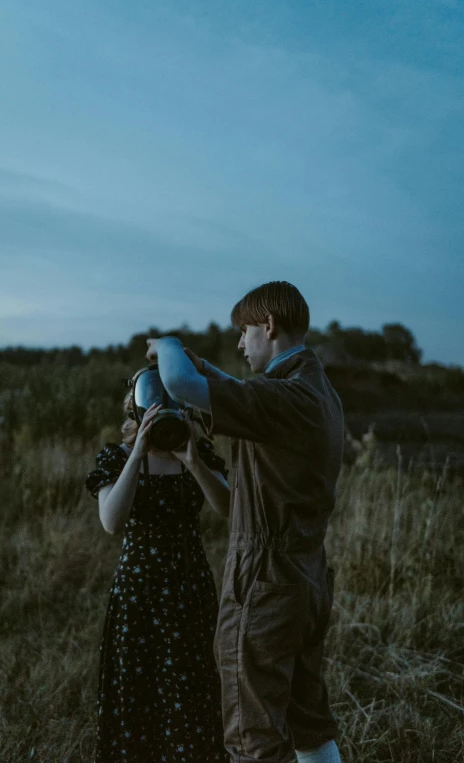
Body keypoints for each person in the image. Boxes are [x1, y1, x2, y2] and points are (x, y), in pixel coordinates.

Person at [145, 281, 344, 763]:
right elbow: (236, 394)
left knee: (252, 739)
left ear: (269, 326)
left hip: (265, 582)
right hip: (303, 577)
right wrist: (199, 364)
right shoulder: (315, 392)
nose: (239, 343)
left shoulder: (287, 399)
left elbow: (182, 387)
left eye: (245, 331)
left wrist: (167, 346)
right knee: (308, 722)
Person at [85, 383, 231, 763]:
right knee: (138, 695)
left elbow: (229, 509)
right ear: (137, 412)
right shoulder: (117, 457)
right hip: (139, 594)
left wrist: (193, 460)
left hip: (189, 589)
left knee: (191, 694)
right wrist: (137, 454)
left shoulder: (198, 454)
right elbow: (111, 522)